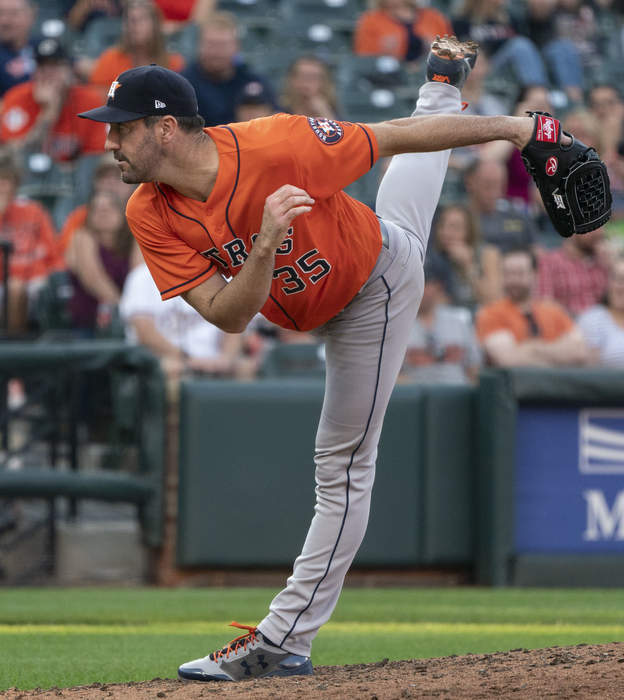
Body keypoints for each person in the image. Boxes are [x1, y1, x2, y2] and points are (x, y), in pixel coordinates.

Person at [77, 39, 556, 681]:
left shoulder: (277, 144)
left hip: (371, 285)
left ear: (166, 128)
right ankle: (441, 85)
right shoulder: (148, 210)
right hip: (330, 284)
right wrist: (267, 245)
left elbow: (388, 138)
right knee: (408, 216)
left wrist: (518, 129)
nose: (110, 142)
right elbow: (226, 314)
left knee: (343, 465)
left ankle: (284, 638)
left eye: (124, 128)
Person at [119, 259, 255, 379]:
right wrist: (186, 359)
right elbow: (145, 332)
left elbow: (234, 324)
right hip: (164, 357)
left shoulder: (220, 273)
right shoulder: (142, 276)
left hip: (215, 360)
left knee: (245, 368)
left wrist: (226, 358)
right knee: (171, 369)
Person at [476, 247, 591, 367]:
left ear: (534, 275)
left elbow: (580, 353)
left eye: (520, 273)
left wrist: (533, 348)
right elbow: (508, 360)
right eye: (508, 273)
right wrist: (557, 351)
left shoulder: (553, 310)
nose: (513, 280)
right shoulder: (491, 313)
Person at [0, 37, 106, 162]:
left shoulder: (90, 101)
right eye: (42, 67)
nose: (48, 73)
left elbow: (95, 158)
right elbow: (11, 157)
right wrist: (47, 114)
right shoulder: (17, 97)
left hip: (74, 178)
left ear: (69, 70)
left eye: (55, 66)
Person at [182, 12, 277, 127]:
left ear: (237, 46)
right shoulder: (183, 84)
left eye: (223, 45)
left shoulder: (254, 81)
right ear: (199, 45)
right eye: (211, 44)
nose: (217, 52)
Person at [0, 151, 61, 333]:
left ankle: (16, 347)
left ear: (15, 184)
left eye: (6, 181)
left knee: (20, 288)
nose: (2, 186)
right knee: (15, 288)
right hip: (4, 281)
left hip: (34, 279)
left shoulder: (34, 210)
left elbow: (53, 255)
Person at [401, 256, 481, 384]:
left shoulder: (458, 321)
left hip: (458, 396)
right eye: (414, 282)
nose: (419, 288)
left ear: (439, 287)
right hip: (415, 399)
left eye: (425, 283)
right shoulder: (397, 324)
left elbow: (474, 370)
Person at [65, 189, 133, 333]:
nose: (103, 212)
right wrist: (123, 307)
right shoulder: (82, 237)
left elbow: (139, 275)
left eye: (110, 207)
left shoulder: (134, 240)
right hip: (88, 325)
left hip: (133, 321)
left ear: (122, 212)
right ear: (89, 215)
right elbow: (92, 278)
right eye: (97, 208)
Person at [88, 0, 184, 94]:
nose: (134, 24)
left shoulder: (173, 63)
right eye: (130, 19)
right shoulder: (110, 59)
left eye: (142, 19)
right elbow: (97, 100)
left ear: (155, 25)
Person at [427, 202, 500, 309]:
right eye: (442, 225)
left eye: (455, 227)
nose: (445, 232)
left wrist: (468, 266)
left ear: (469, 231)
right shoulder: (431, 258)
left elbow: (493, 300)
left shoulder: (487, 254)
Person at [463, 157, 539, 254]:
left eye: (499, 185)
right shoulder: (461, 218)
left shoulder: (518, 215)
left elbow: (536, 250)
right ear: (469, 182)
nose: (494, 192)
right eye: (488, 185)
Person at [537, 227, 610, 316]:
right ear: (573, 231)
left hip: (602, 322)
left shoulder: (602, 261)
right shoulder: (550, 262)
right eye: (591, 229)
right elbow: (545, 302)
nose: (597, 233)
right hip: (568, 322)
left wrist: (611, 266)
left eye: (599, 229)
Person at [354, 0, 452, 62]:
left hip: (429, 72)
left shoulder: (434, 18)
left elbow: (451, 53)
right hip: (390, 76)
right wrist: (383, 52)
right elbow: (364, 58)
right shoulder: (370, 20)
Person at [577, 256, 624, 367]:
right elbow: (590, 370)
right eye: (618, 280)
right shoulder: (594, 318)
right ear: (609, 284)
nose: (622, 287)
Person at [280, 56, 339, 121]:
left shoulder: (330, 110)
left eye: (314, 77)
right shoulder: (279, 109)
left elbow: (338, 130)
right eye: (302, 76)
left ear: (324, 82)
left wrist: (324, 111)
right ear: (292, 80)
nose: (307, 82)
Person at [0, 0, 37, 98]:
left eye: (13, 14)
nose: (4, 21)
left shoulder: (44, 45)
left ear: (31, 16)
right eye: (0, 13)